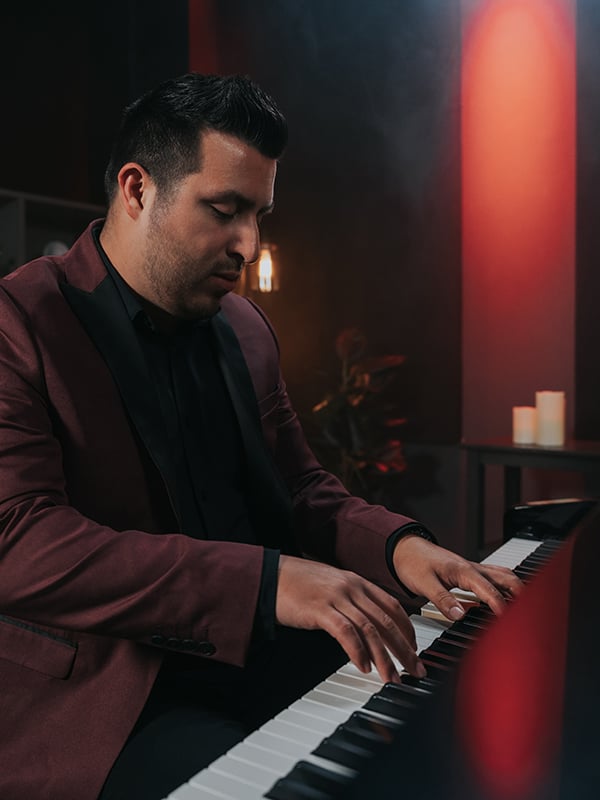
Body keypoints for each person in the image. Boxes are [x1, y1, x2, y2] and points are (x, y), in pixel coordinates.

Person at [0, 73, 520, 800]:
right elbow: (20, 545)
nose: (247, 243)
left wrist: (403, 547)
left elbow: (303, 487)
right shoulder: (17, 321)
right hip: (106, 693)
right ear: (137, 188)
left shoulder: (246, 328)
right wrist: (269, 582)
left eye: (259, 214)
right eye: (224, 210)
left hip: (252, 651)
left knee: (442, 728)